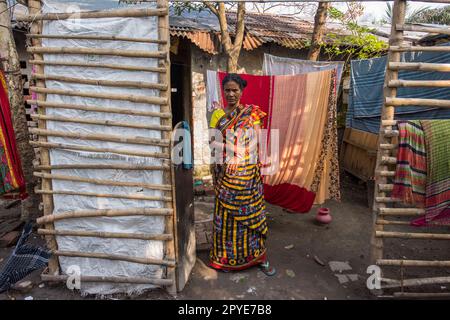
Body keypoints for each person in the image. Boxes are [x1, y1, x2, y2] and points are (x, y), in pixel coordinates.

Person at [208, 73, 276, 276]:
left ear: (241, 91)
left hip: (246, 172)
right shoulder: (217, 114)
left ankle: (256, 257)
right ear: (223, 91)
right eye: (227, 90)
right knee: (226, 216)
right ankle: (225, 260)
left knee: (250, 213)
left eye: (234, 90)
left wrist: (239, 154)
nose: (230, 94)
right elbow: (212, 141)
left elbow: (256, 140)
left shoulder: (251, 113)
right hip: (225, 171)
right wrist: (232, 148)